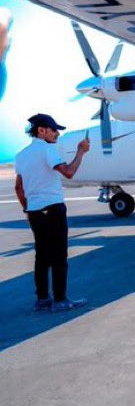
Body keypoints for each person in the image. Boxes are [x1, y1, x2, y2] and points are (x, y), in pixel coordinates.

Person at [14, 114, 89, 312]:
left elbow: (19, 188)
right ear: (41, 130)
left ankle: (42, 299)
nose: (57, 134)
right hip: (53, 209)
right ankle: (60, 300)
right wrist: (81, 152)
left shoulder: (21, 155)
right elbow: (69, 172)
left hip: (35, 211)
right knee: (59, 257)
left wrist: (27, 208)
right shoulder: (48, 150)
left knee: (41, 256)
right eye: (54, 129)